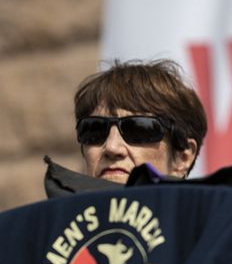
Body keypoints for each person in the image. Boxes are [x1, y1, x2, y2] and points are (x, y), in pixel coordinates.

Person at [73, 59, 207, 184]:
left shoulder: (215, 209)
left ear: (182, 157)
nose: (111, 147)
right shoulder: (58, 209)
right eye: (94, 130)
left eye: (138, 130)